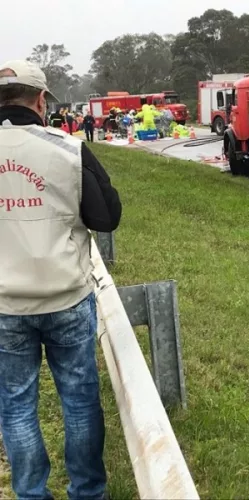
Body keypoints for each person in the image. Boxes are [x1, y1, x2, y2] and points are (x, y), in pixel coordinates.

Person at [0, 59, 122, 499]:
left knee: (15, 404)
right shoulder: (67, 149)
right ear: (40, 100)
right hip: (67, 297)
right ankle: (88, 492)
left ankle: (31, 493)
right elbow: (107, 217)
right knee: (79, 398)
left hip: (4, 306)